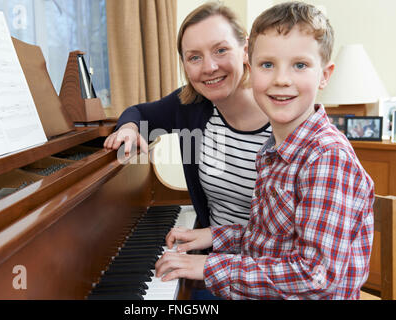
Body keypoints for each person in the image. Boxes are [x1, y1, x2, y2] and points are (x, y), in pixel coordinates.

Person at [155, 1, 374, 300]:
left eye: (300, 65)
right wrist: (213, 235)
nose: (281, 79)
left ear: (324, 74)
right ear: (250, 64)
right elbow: (269, 240)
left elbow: (314, 276)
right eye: (267, 65)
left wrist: (209, 265)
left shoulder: (327, 158)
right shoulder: (274, 149)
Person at [104, 2, 271, 228]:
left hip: (265, 260)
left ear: (246, 50)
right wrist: (128, 129)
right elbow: (139, 113)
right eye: (194, 57)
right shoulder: (191, 105)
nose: (209, 67)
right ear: (183, 64)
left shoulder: (282, 112)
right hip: (209, 253)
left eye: (220, 50)